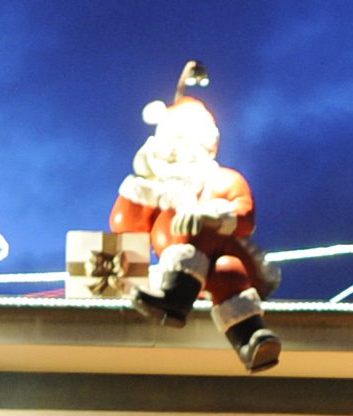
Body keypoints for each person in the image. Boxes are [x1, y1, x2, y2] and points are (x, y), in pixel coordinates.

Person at [111, 63, 281, 371]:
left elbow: (245, 217)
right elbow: (125, 227)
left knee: (217, 250)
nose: (177, 152)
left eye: (185, 143)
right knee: (225, 272)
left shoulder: (223, 180)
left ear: (208, 144)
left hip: (226, 257)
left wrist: (211, 218)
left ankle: (178, 299)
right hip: (211, 276)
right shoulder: (159, 190)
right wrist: (138, 188)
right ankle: (250, 339)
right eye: (171, 146)